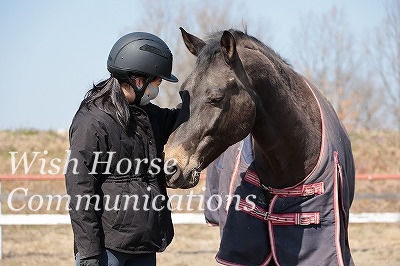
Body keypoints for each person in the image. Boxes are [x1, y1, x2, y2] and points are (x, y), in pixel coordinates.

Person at [65, 32, 180, 266]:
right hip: (108, 249)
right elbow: (80, 188)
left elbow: (183, 119)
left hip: (145, 244)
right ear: (139, 81)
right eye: (156, 83)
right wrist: (89, 253)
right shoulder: (93, 121)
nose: (156, 90)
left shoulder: (148, 115)